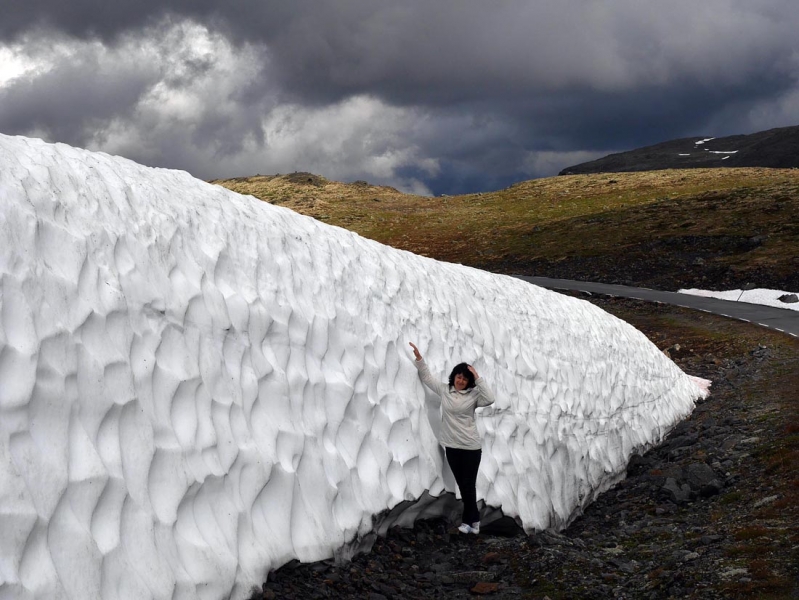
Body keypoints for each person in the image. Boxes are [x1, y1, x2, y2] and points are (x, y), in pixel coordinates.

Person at [409, 342, 495, 534]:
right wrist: (419, 359)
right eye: (458, 376)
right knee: (464, 485)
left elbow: (490, 398)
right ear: (453, 377)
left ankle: (469, 522)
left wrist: (478, 378)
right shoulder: (445, 391)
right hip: (453, 448)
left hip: (471, 448)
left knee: (468, 485)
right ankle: (474, 521)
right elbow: (427, 378)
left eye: (465, 378)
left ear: (469, 381)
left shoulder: (473, 396)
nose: (461, 380)